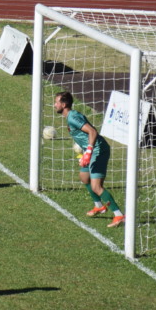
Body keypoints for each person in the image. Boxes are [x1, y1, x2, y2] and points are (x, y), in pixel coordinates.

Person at [54, 91, 125, 227]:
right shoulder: (71, 116)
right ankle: (99, 206)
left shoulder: (72, 118)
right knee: (84, 177)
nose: (54, 105)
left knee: (96, 186)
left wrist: (88, 151)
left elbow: (92, 131)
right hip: (91, 151)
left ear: (63, 105)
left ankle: (119, 215)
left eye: (56, 102)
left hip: (98, 151)